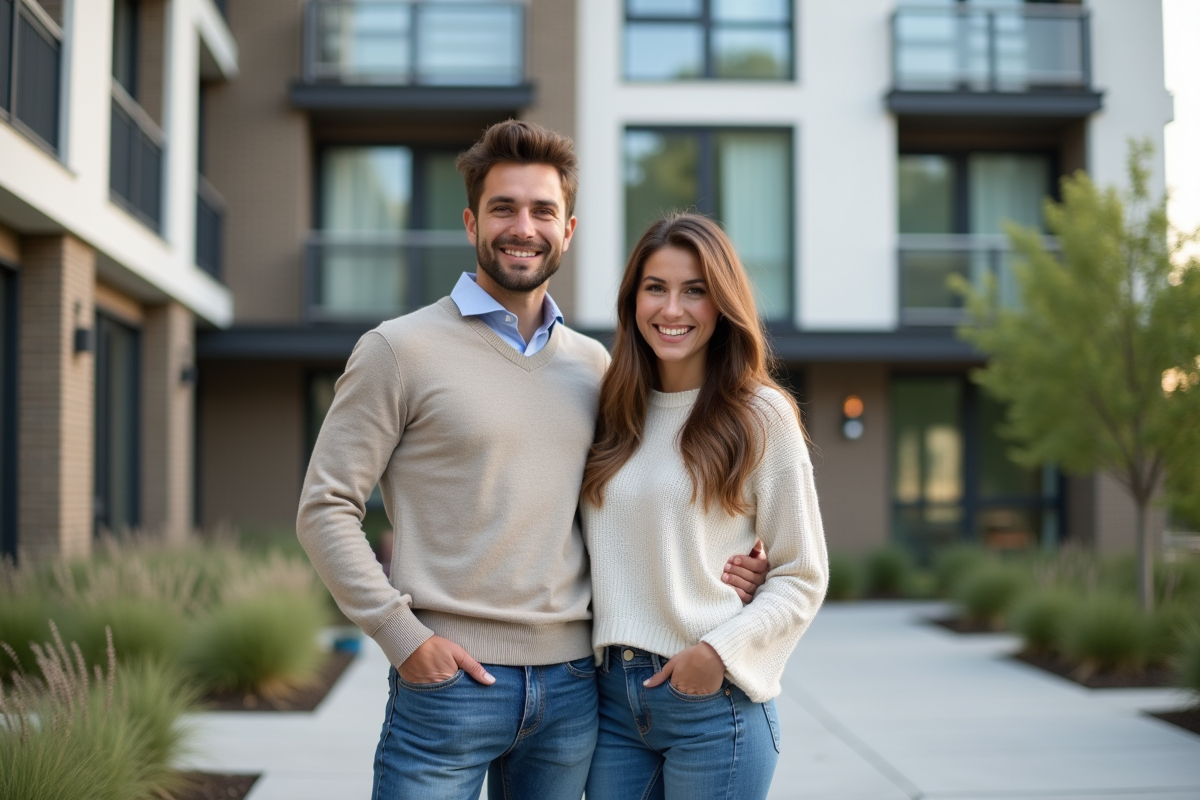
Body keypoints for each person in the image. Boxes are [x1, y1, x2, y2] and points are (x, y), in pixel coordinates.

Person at [296, 121, 768, 800]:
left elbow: (636, 499)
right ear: (471, 222)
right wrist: (402, 637)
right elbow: (325, 508)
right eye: (504, 208)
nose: (524, 227)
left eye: (543, 210)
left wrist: (726, 561)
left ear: (567, 230)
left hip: (575, 693)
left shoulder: (596, 365)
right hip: (448, 687)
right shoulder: (398, 351)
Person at [581, 213, 829, 800]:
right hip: (610, 705)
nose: (673, 310)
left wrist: (719, 653)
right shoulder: (612, 411)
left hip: (714, 708)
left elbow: (803, 574)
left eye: (695, 291)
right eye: (655, 288)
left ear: (722, 304)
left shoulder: (761, 415)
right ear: (632, 301)